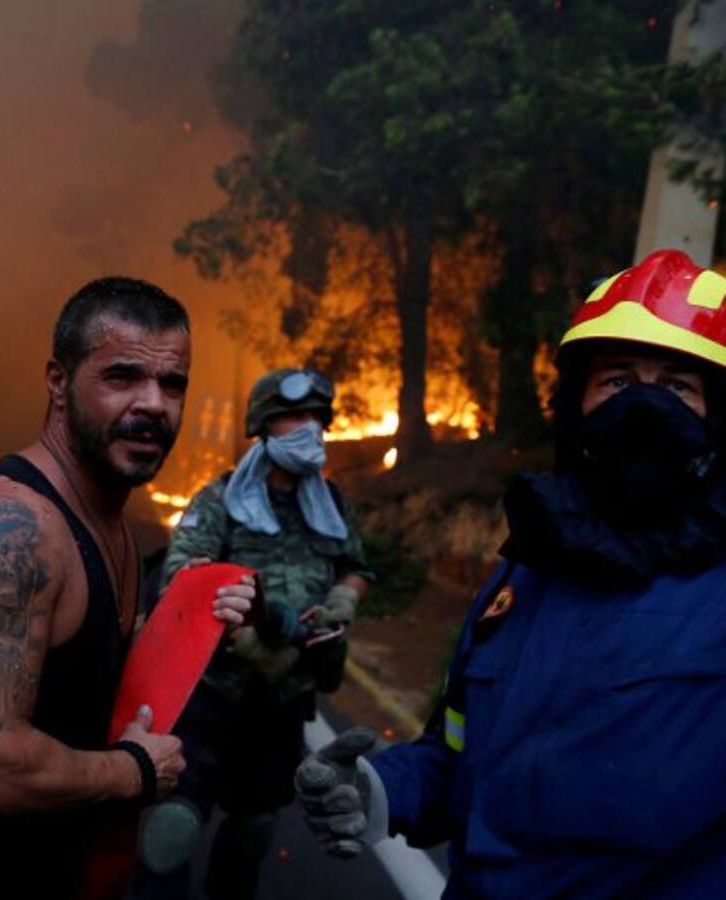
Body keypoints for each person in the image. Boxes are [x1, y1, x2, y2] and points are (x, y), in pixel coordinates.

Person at [297, 248, 726, 898]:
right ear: (574, 409)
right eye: (616, 381)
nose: (642, 406)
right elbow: (460, 754)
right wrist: (380, 788)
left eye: (676, 386)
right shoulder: (521, 578)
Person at [0, 277, 256, 899]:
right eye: (122, 377)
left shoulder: (110, 524)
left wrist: (189, 630)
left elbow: (75, 667)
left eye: (173, 385)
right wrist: (136, 770)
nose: (154, 404)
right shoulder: (6, 529)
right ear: (59, 382)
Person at [133, 368, 373, 900]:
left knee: (255, 829)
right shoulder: (221, 500)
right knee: (172, 828)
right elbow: (179, 578)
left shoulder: (331, 505)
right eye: (295, 417)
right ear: (264, 425)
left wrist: (345, 599)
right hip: (213, 694)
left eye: (317, 418)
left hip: (282, 700)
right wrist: (237, 623)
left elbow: (357, 565)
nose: (310, 428)